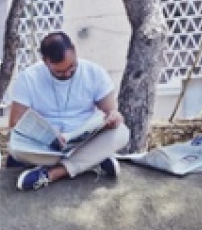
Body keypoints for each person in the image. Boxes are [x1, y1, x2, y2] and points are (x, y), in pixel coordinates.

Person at [10, 32, 128, 191]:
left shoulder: (95, 73)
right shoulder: (28, 78)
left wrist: (113, 118)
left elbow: (111, 111)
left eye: (72, 67)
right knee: (15, 148)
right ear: (46, 61)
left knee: (122, 133)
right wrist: (49, 134)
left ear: (75, 50)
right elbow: (15, 123)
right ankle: (90, 162)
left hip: (83, 141)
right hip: (46, 147)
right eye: (59, 72)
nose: (67, 73)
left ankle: (54, 173)